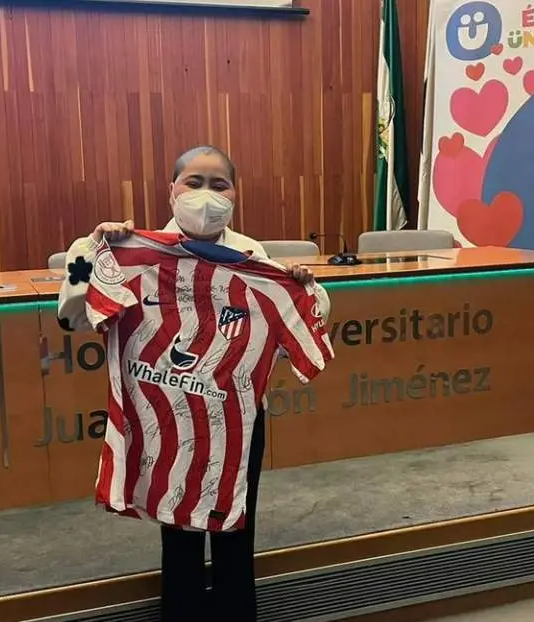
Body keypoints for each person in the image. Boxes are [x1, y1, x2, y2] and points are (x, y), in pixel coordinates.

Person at [90, 145, 329, 621]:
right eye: (194, 182)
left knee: (235, 523)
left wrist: (305, 286)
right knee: (177, 526)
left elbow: (301, 322)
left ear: (235, 195)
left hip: (235, 417)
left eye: (219, 185)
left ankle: (235, 611)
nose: (205, 194)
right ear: (171, 191)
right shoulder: (133, 249)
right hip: (165, 412)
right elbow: (75, 305)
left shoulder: (251, 256)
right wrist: (97, 245)